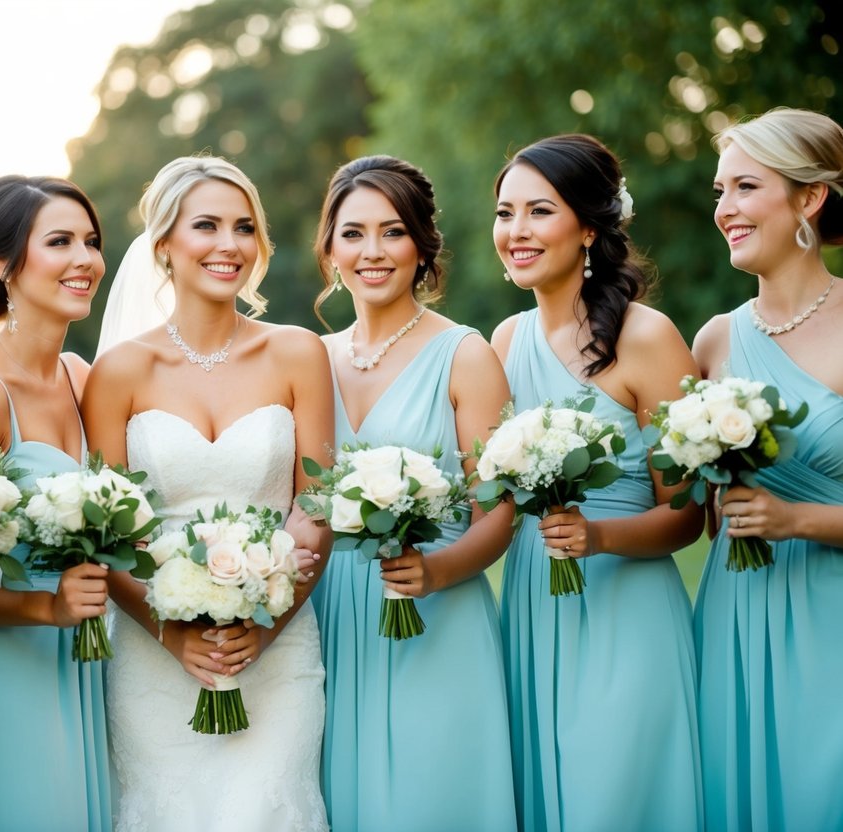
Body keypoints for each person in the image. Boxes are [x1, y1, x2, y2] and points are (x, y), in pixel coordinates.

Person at [82, 155, 333, 831]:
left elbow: (315, 506)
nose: (229, 244)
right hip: (152, 652)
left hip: (278, 645)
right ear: (163, 242)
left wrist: (265, 625)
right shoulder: (118, 372)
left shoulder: (298, 353)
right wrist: (172, 635)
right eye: (206, 226)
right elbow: (106, 530)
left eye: (244, 227)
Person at [491, 134, 704, 831]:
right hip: (532, 605)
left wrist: (599, 536)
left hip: (624, 613)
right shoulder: (502, 342)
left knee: (615, 802)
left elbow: (688, 513)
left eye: (539, 211)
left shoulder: (646, 336)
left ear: (588, 227)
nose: (516, 231)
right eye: (505, 213)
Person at [310, 155, 517, 831]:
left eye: (392, 232)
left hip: (435, 612)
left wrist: (434, 572)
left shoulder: (465, 354)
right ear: (330, 249)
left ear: (423, 246)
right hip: (330, 615)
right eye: (353, 233)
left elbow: (499, 512)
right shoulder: (309, 358)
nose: (372, 251)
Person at [0, 175, 110, 831]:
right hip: (5, 666)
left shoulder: (80, 375)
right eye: (59, 242)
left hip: (80, 661)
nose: (84, 260)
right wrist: (48, 607)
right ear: (1, 263)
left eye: (90, 241)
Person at [692, 107, 843, 831]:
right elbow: (696, 514)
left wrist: (796, 519)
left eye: (745, 187)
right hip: (733, 613)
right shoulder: (713, 341)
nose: (724, 209)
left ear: (809, 197)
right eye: (719, 191)